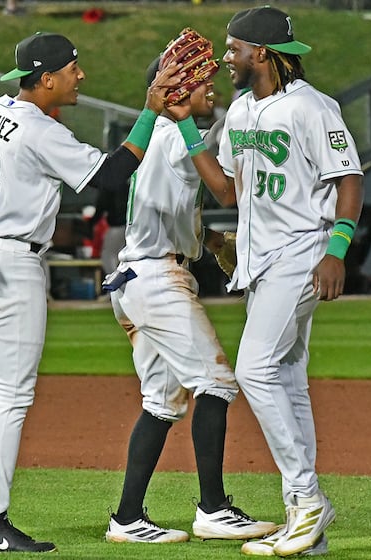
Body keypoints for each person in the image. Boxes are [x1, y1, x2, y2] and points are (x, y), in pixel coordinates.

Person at [0, 31, 183, 553]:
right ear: (46, 78)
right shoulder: (38, 130)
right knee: (15, 393)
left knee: (3, 385)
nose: (80, 75)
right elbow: (111, 176)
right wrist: (150, 111)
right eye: (72, 68)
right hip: (10, 262)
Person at [102, 53, 276, 544]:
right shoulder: (177, 136)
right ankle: (214, 509)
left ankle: (127, 518)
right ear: (175, 92)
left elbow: (174, 207)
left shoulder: (157, 137)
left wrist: (214, 245)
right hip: (157, 280)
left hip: (140, 276)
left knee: (161, 401)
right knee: (218, 383)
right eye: (198, 81)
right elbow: (225, 188)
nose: (211, 86)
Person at [214, 7, 365, 556]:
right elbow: (229, 192)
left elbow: (348, 178)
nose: (225, 57)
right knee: (288, 376)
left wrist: (338, 248)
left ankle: (305, 499)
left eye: (233, 49)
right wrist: (185, 125)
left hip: (303, 252)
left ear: (261, 52)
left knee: (253, 367)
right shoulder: (238, 110)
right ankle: (307, 522)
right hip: (262, 261)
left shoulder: (310, 106)